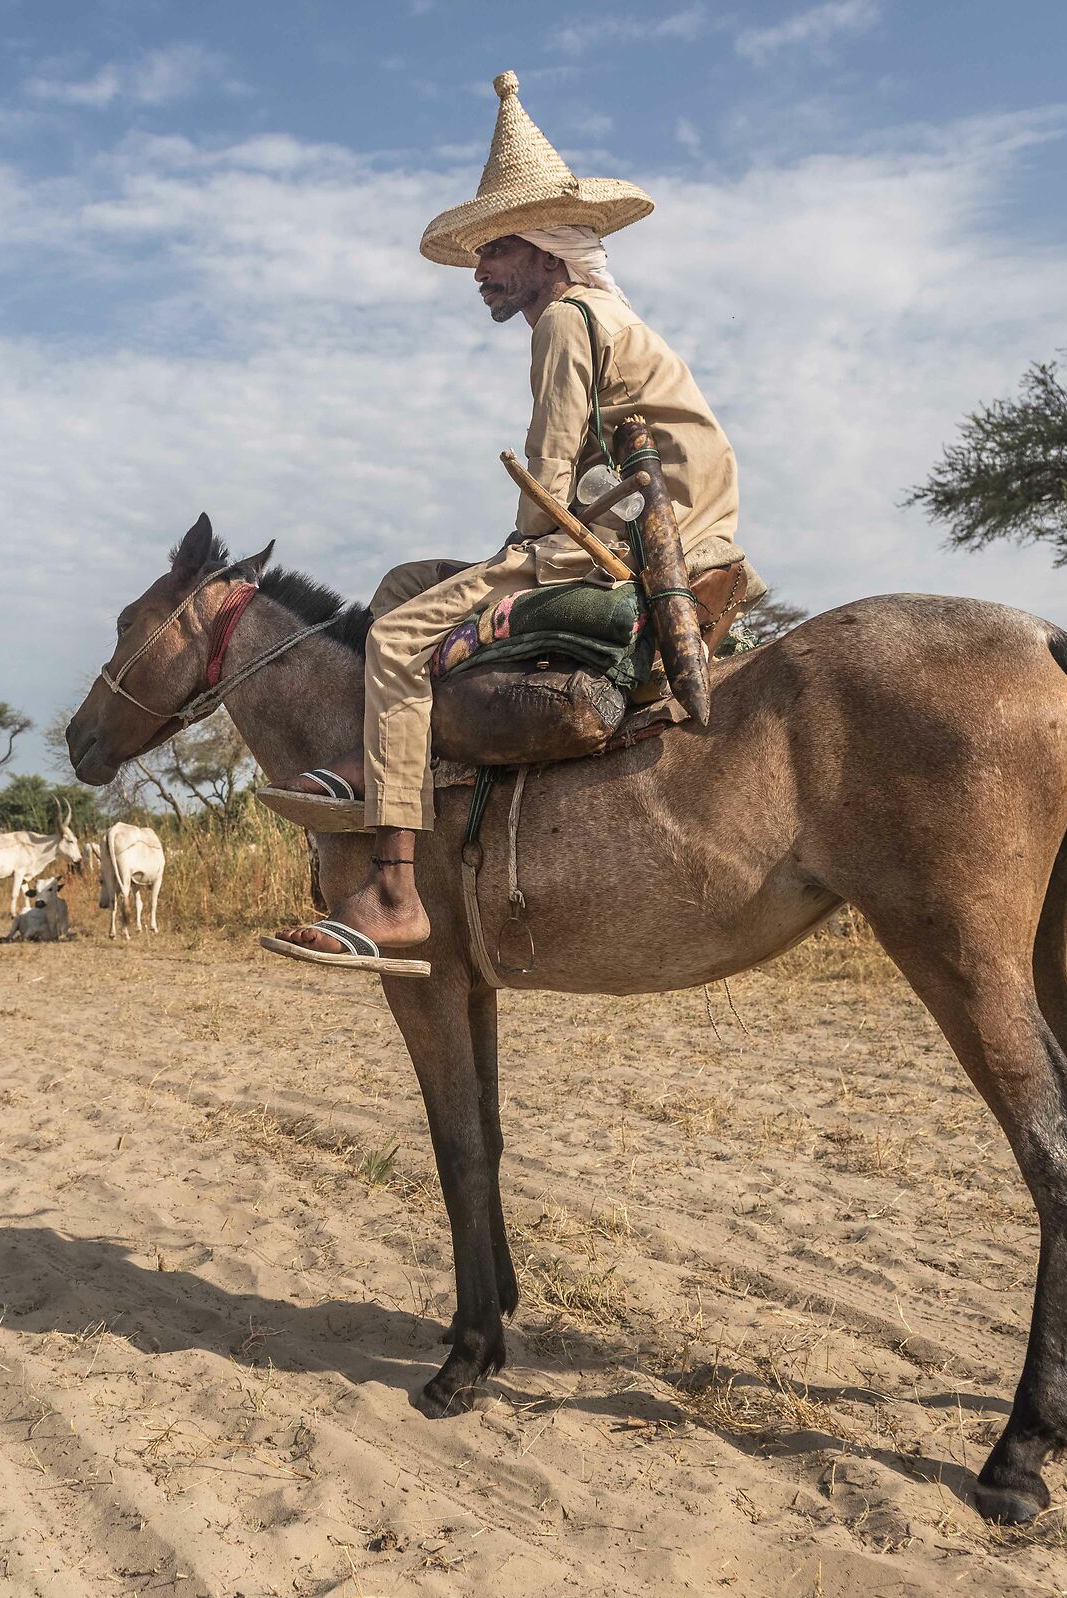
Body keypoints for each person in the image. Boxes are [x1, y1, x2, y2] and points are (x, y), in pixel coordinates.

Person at [263, 71, 751, 976]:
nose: (480, 272)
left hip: (638, 543)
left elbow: (549, 478)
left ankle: (399, 895)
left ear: (546, 250)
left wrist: (506, 563)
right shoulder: (601, 314)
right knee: (406, 587)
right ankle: (382, 764)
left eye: (496, 252)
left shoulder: (565, 319)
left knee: (404, 637)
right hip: (647, 524)